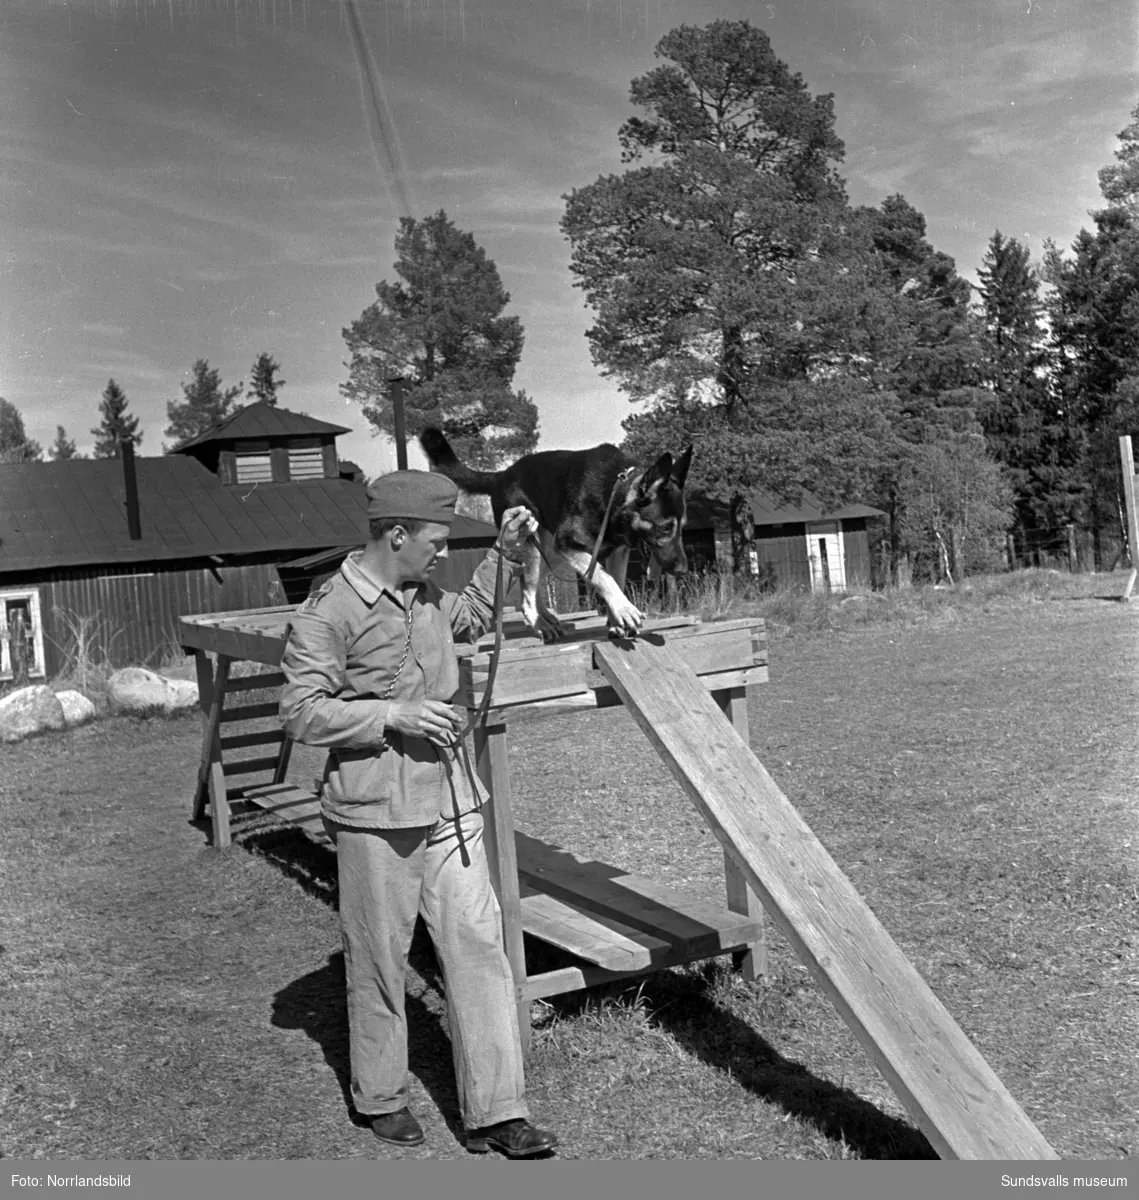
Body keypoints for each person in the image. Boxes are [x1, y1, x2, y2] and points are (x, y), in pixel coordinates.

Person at [279, 469, 558, 1159]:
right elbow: (298, 710)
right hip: (376, 812)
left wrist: (504, 552)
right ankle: (380, 1096)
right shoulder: (328, 611)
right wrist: (391, 714)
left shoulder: (429, 596)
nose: (441, 552)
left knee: (478, 950)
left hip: (453, 803)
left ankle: (498, 1111)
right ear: (395, 534)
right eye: (434, 540)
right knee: (380, 958)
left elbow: (470, 614)